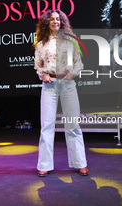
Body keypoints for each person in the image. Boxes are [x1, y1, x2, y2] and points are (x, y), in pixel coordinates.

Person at [34, 10, 88, 177]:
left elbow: (79, 63)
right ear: (46, 23)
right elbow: (38, 65)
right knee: (47, 125)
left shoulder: (70, 40)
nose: (55, 22)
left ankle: (80, 163)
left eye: (58, 19)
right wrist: (42, 74)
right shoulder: (41, 43)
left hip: (68, 84)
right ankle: (44, 165)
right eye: (51, 19)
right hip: (49, 86)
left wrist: (70, 75)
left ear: (62, 22)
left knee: (73, 124)